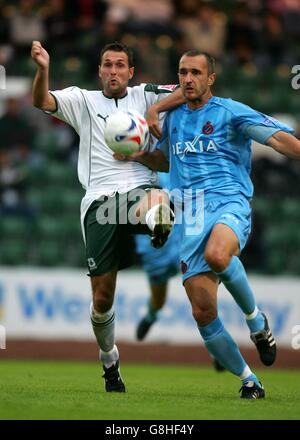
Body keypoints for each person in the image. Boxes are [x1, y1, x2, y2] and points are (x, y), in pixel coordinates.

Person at [115, 49, 300, 398]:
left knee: (219, 255)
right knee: (202, 312)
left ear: (210, 78)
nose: (188, 79)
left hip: (229, 203)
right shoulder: (173, 120)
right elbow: (167, 162)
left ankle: (256, 322)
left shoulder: (231, 112)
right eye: (183, 72)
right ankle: (250, 381)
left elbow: (278, 140)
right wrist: (137, 153)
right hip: (190, 216)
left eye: (196, 73)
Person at [31, 40, 185, 393]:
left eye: (119, 65)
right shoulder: (82, 100)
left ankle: (157, 219)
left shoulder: (145, 95)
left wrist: (155, 109)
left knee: (155, 194)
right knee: (102, 301)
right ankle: (109, 359)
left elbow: (188, 89)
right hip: (99, 202)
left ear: (130, 72)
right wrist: (43, 69)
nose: (112, 71)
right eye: (107, 64)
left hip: (137, 189)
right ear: (99, 70)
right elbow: (42, 101)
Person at [135, 172, 180, 340]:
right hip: (154, 250)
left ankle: (217, 345)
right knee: (159, 300)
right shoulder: (137, 175)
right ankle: (151, 317)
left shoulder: (176, 167)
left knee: (200, 295)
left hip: (181, 242)